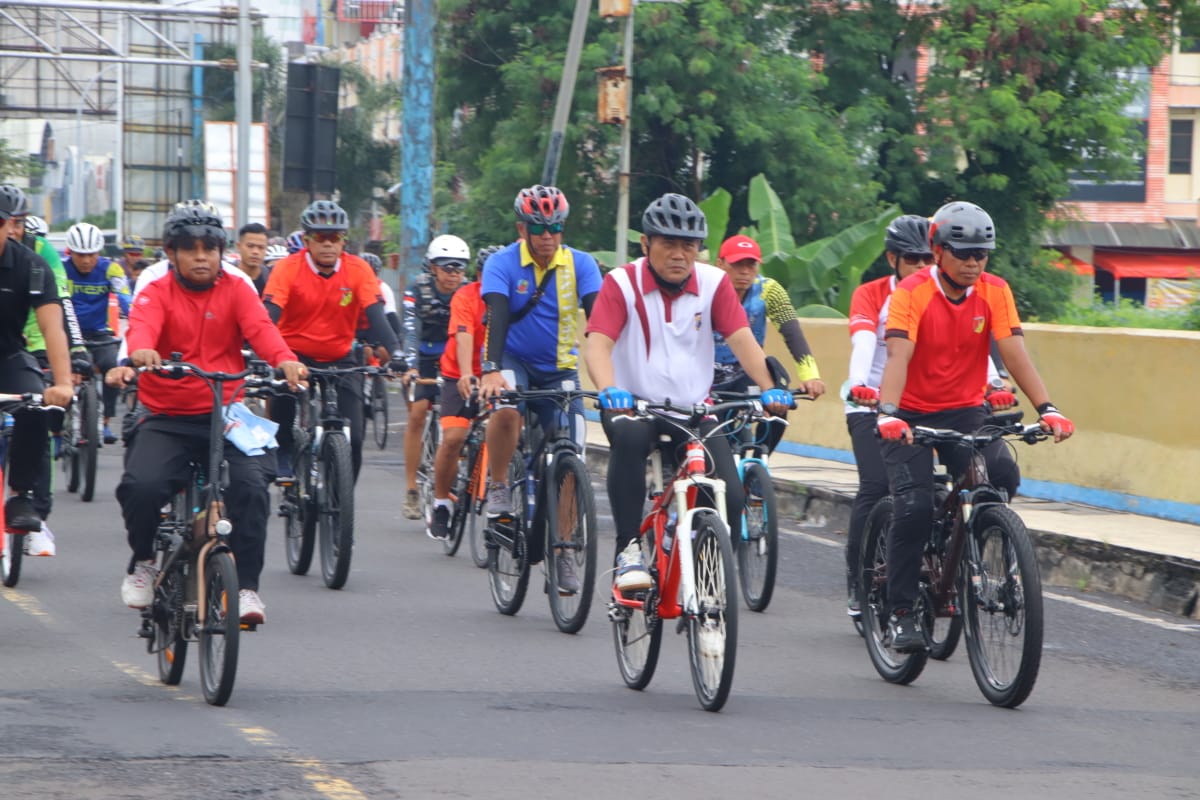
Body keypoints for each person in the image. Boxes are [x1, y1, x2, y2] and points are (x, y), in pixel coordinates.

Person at [874, 201, 1074, 652]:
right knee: (914, 508)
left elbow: (1013, 349)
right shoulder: (911, 292)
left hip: (965, 409)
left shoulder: (995, 291)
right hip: (907, 412)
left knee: (1002, 475)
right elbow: (898, 354)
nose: (972, 262)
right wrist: (887, 411)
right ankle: (902, 610)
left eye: (980, 254)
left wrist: (1047, 407)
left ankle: (968, 548)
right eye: (961, 252)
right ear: (937, 250)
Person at [584, 192, 795, 592]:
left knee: (730, 497)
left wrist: (770, 390)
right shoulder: (621, 283)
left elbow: (743, 342)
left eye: (689, 245)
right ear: (646, 244)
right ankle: (628, 548)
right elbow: (598, 343)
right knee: (628, 437)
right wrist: (610, 388)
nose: (679, 254)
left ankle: (708, 589)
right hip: (635, 407)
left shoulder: (714, 283)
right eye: (668, 244)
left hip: (695, 410)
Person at [107, 202, 306, 623]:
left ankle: (247, 588)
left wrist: (286, 360)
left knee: (252, 489)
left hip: (226, 413)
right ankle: (143, 561)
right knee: (142, 487)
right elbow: (142, 326)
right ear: (172, 254)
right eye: (190, 248)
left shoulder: (237, 288)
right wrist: (141, 352)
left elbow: (262, 330)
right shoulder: (156, 291)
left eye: (209, 248)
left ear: (220, 252)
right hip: (167, 414)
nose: (201, 257)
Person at [478, 185, 601, 594]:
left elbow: (600, 323)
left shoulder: (582, 265)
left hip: (560, 368)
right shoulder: (502, 263)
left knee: (572, 455)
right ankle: (498, 485)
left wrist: (616, 381)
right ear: (523, 227)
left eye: (555, 227)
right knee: (507, 407)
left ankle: (563, 550)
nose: (547, 235)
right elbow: (495, 315)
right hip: (512, 360)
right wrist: (492, 369)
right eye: (538, 227)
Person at [263, 200, 404, 483]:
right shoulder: (287, 269)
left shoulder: (358, 269)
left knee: (354, 435)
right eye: (320, 237)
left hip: (340, 356)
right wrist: (266, 353)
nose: (328, 244)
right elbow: (269, 316)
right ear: (306, 240)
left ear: (343, 241)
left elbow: (376, 315)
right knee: (283, 393)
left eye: (335, 237)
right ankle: (285, 450)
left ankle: (340, 503)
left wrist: (397, 351)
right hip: (295, 354)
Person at [8, 192, 90, 557]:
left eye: (16, 223)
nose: (13, 229)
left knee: (35, 406)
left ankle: (21, 496)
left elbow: (53, 327)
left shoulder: (33, 265)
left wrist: (61, 381)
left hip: (8, 355)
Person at [712, 233, 825, 452]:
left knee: (779, 408)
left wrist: (810, 375)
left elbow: (792, 332)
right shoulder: (707, 288)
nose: (744, 272)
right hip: (707, 377)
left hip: (747, 372)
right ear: (720, 264)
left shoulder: (768, 290)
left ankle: (759, 463)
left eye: (751, 265)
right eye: (737, 265)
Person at [428, 244, 503, 540]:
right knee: (454, 438)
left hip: (497, 374)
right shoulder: (466, 296)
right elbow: (464, 335)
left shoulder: (514, 298)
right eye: (486, 274)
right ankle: (442, 501)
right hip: (459, 373)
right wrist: (468, 374)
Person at [400, 235, 469, 519]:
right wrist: (410, 366)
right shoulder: (417, 289)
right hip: (424, 356)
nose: (453, 274)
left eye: (459, 268)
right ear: (432, 267)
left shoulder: (468, 291)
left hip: (453, 356)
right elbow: (410, 329)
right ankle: (412, 489)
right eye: (446, 267)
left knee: (461, 422)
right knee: (417, 412)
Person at [63, 222, 132, 443]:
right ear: (70, 252)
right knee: (60, 373)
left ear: (99, 252)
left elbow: (126, 299)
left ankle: (104, 422)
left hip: (99, 333)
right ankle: (56, 430)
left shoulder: (112, 269)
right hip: (67, 334)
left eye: (91, 254)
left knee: (113, 367)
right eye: (80, 254)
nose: (85, 260)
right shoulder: (61, 269)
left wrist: (137, 319)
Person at [235, 222, 271, 296]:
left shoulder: (271, 279)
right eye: (250, 246)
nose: (255, 252)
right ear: (239, 246)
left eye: (261, 247)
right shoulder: (225, 275)